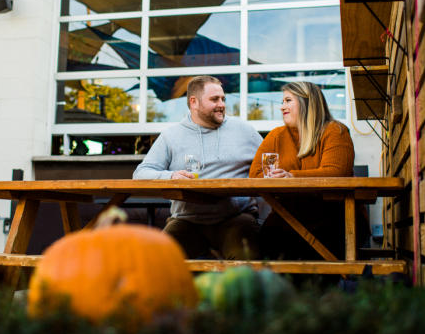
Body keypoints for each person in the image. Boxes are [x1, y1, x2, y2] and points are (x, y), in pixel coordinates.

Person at [134, 75, 263, 260]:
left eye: (223, 99)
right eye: (214, 99)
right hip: (187, 222)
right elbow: (140, 174)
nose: (222, 104)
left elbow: (270, 163)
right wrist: (170, 177)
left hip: (236, 218)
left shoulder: (243, 130)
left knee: (246, 267)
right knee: (158, 262)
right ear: (194, 102)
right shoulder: (171, 135)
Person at [249, 81, 368, 261]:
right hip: (287, 218)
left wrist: (291, 177)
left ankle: (336, 286)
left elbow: (335, 173)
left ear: (307, 102)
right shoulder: (276, 136)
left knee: (319, 254)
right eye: (282, 101)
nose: (282, 107)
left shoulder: (335, 131)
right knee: (268, 244)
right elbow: (256, 175)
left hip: (334, 218)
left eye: (288, 100)